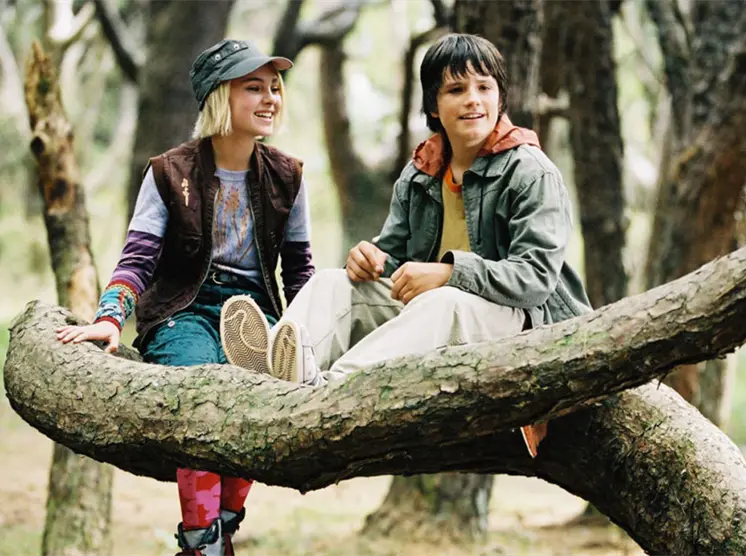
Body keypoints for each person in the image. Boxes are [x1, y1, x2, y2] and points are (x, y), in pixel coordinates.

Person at [222, 33, 593, 457]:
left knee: (444, 301)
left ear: (499, 98)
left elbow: (535, 280)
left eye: (484, 87)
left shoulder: (530, 172)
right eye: (456, 89)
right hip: (436, 318)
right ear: (434, 105)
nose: (473, 100)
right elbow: (394, 256)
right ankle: (271, 374)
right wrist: (369, 259)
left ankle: (330, 396)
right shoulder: (421, 172)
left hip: (523, 322)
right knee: (332, 282)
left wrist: (450, 273)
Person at [56, 39, 315, 556]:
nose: (270, 98)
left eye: (274, 87)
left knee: (256, 404)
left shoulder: (289, 175)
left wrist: (311, 335)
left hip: (255, 312)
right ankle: (204, 543)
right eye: (254, 87)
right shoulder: (168, 171)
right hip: (183, 310)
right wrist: (110, 318)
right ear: (220, 96)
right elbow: (138, 259)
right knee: (200, 401)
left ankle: (216, 535)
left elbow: (300, 272)